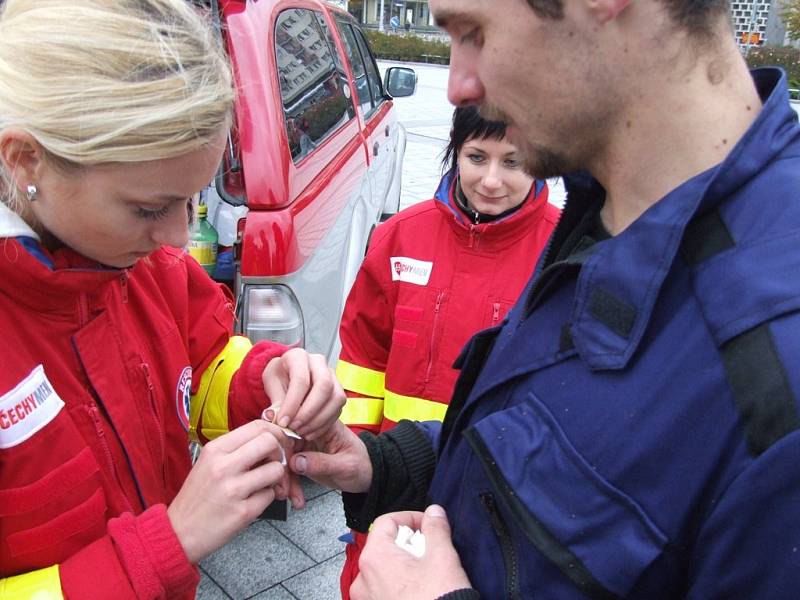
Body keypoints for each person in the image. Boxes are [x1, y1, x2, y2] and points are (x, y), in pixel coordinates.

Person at [286, 0, 800, 597]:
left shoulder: (777, 381)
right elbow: (546, 438)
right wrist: (390, 466)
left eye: (474, 32)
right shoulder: (605, 216)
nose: (458, 86)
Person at [0, 1, 344, 598]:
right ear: (26, 158)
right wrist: (169, 544)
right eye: (149, 208)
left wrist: (267, 380)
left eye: (190, 200)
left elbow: (202, 362)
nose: (179, 238)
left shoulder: (146, 264)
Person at [336, 105, 559, 596]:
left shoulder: (561, 256)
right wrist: (358, 452)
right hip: (398, 475)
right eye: (477, 157)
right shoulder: (401, 235)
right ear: (454, 152)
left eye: (513, 162)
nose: (492, 180)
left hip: (499, 493)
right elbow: (362, 357)